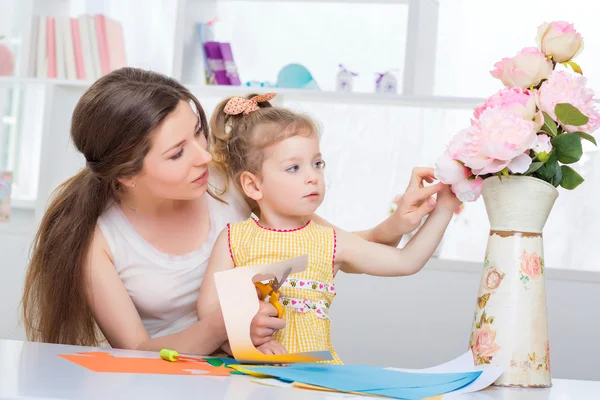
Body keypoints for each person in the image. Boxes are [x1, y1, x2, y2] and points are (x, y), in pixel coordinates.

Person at [21, 68, 445, 355]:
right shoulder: (97, 242)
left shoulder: (233, 186)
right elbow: (138, 352)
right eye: (176, 154)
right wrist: (228, 324)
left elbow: (333, 249)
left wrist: (400, 222)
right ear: (128, 174)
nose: (204, 157)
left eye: (198, 133)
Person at [197, 93, 460, 362]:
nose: (313, 177)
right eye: (293, 168)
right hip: (251, 380)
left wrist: (445, 207)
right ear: (253, 185)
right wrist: (248, 344)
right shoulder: (233, 239)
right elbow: (208, 315)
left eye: (317, 164)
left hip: (318, 380)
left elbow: (406, 261)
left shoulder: (330, 241)